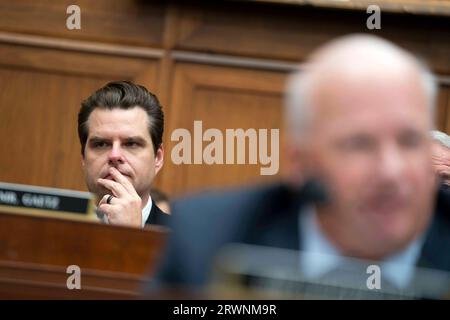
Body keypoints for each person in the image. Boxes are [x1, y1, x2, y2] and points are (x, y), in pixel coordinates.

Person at [149, 35, 450, 295]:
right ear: (300, 163)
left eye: (410, 141)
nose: (391, 171)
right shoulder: (210, 240)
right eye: (360, 144)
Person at [78, 81, 169, 228]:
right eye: (101, 144)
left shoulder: (186, 240)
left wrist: (132, 236)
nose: (115, 155)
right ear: (83, 157)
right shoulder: (48, 231)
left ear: (157, 158)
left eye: (131, 144)